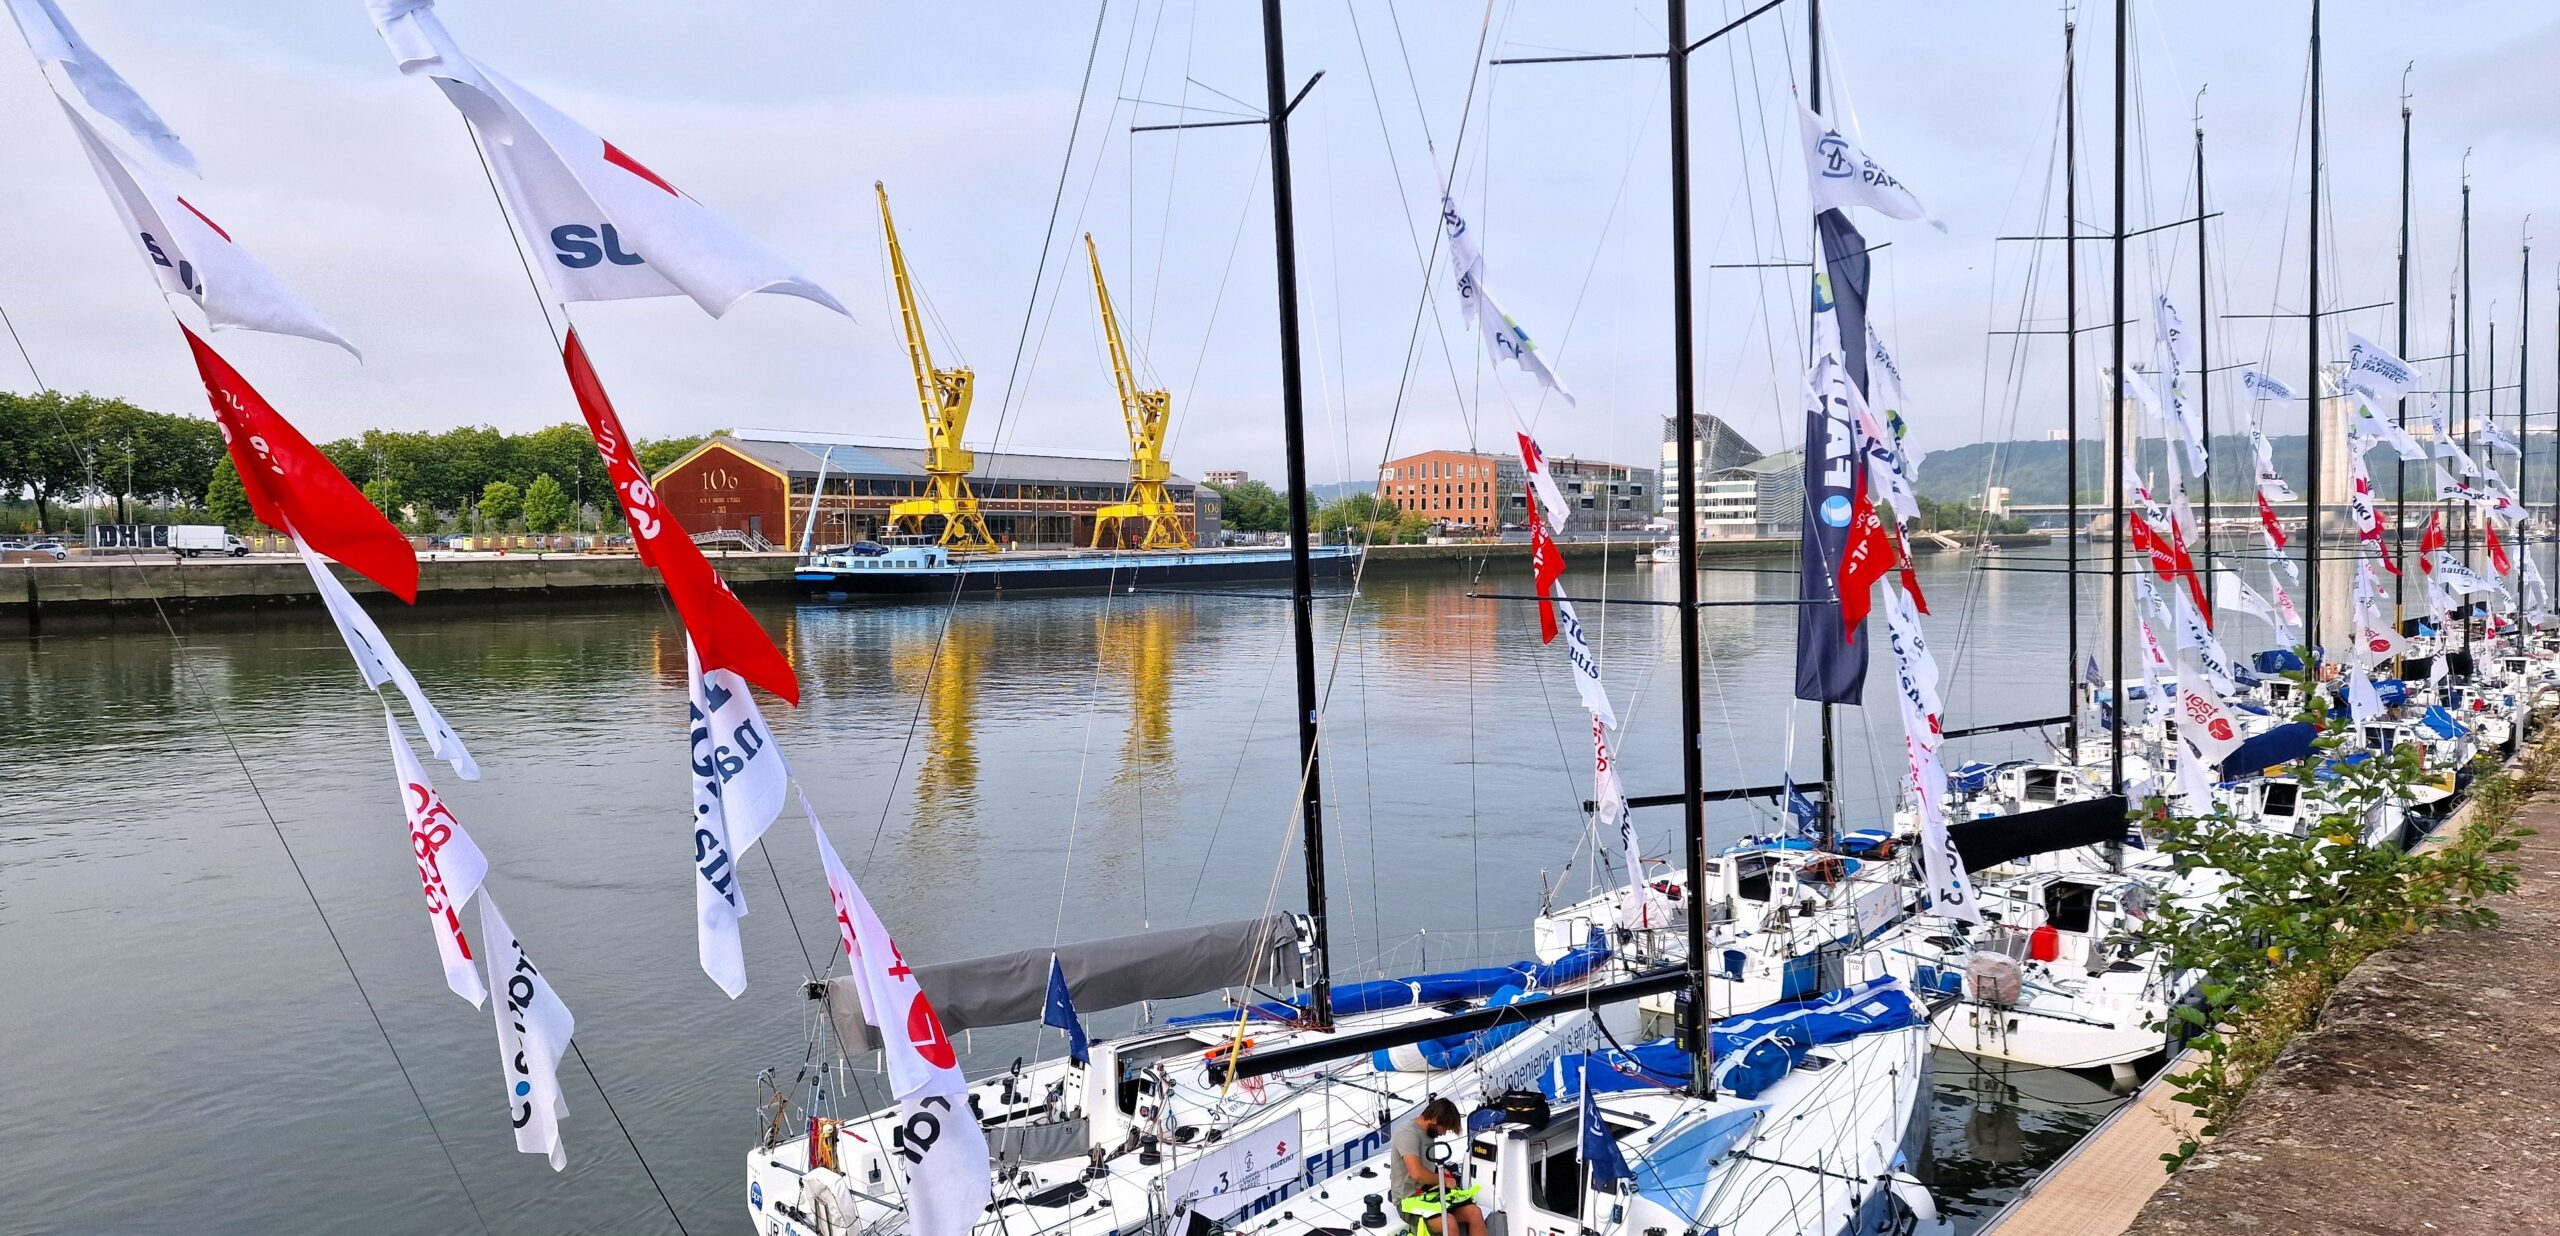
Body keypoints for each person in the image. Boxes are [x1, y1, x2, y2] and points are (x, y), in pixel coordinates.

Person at [1392, 1098, 1484, 1236]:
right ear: (1435, 1119)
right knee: (1449, 1223)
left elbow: (1424, 1164)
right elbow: (1417, 1173)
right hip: (1408, 1199)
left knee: (1475, 1213)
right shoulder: (1407, 1133)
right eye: (1445, 1128)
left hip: (1429, 1193)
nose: (1444, 1133)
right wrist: (1443, 1180)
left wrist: (1441, 1171)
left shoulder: (1428, 1133)